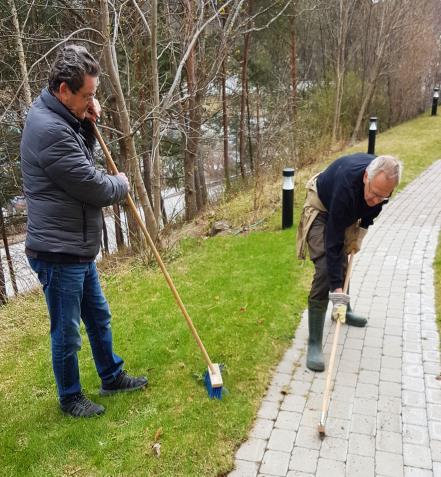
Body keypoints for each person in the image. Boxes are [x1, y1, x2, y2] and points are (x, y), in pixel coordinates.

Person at [20, 44, 147, 417]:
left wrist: (89, 121)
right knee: (67, 333)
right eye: (87, 95)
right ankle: (70, 397)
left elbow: (81, 157)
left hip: (76, 246)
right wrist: (121, 184)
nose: (91, 100)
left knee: (98, 315)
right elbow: (92, 184)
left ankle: (110, 375)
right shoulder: (48, 129)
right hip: (58, 253)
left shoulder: (62, 118)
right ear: (63, 89)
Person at [297, 153, 402, 372]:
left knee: (345, 260)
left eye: (382, 197)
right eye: (373, 194)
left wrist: (360, 232)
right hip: (322, 207)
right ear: (366, 177)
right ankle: (315, 342)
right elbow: (333, 241)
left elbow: (372, 211)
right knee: (327, 268)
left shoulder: (381, 190)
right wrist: (336, 288)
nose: (375, 200)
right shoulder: (346, 187)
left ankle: (343, 308)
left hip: (345, 210)